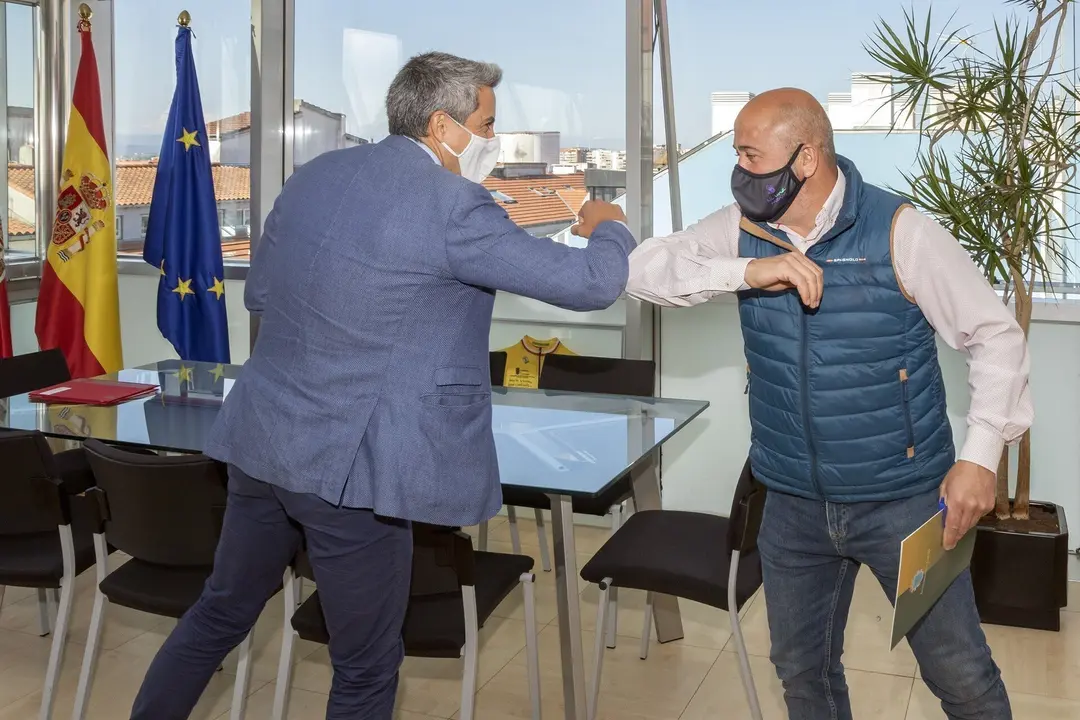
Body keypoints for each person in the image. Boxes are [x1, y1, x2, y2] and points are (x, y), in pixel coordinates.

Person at [129, 51, 632, 719]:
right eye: (485, 122)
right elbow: (589, 284)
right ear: (441, 126)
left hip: (262, 441)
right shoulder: (454, 203)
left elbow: (263, 298)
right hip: (351, 471)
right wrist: (610, 228)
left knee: (221, 611)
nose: (490, 139)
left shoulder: (315, 176)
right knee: (365, 669)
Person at [622, 88, 1031, 720]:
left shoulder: (901, 230)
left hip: (906, 503)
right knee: (803, 675)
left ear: (806, 159)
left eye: (751, 156)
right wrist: (746, 271)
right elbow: (643, 270)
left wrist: (980, 457)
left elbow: (995, 335)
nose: (738, 171)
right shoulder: (743, 229)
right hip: (791, 505)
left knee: (961, 676)